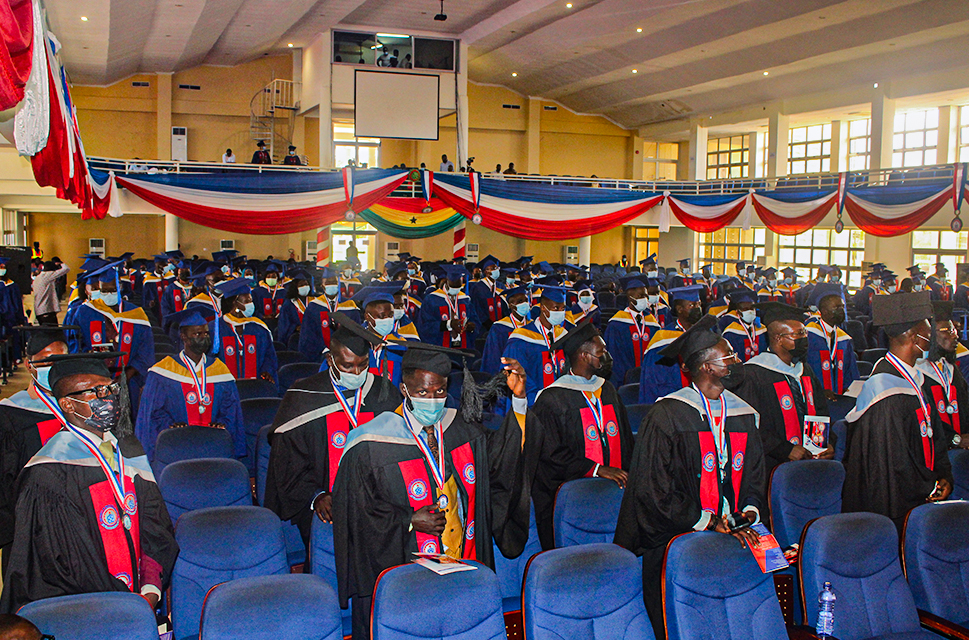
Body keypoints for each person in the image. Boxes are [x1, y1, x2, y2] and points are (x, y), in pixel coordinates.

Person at [332, 342, 533, 640]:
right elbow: (356, 516)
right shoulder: (369, 446)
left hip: (462, 561)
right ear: (404, 389)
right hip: (406, 584)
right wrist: (408, 521)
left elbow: (503, 464)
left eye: (439, 391)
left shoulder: (463, 429)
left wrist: (519, 401)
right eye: (422, 392)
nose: (432, 400)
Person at [614, 314, 765, 639]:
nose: (737, 361)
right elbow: (654, 493)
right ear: (707, 367)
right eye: (729, 357)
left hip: (735, 533)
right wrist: (709, 522)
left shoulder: (742, 414)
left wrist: (748, 514)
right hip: (678, 539)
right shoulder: (667, 416)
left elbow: (754, 477)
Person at [0, 352, 178, 613]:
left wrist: (150, 588)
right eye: (93, 393)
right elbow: (68, 566)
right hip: (89, 612)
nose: (106, 399)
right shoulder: (48, 474)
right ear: (68, 405)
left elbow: (156, 528)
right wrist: (127, 604)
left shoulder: (129, 452)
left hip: (140, 603)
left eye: (109, 389)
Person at [266, 319, 402, 546]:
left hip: (378, 504)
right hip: (326, 505)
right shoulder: (303, 396)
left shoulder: (385, 393)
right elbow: (288, 461)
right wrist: (315, 495)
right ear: (330, 360)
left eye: (363, 364)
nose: (357, 372)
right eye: (348, 366)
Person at [842, 292, 953, 530]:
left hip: (922, 491)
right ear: (914, 337)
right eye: (928, 327)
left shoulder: (916, 379)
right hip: (893, 505)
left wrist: (944, 475)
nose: (932, 333)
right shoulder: (884, 389)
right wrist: (929, 485)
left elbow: (935, 435)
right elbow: (894, 463)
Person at [531, 323, 633, 549]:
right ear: (584, 355)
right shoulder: (552, 399)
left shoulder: (607, 390)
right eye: (601, 352)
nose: (606, 356)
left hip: (614, 494)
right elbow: (548, 454)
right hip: (574, 500)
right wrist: (595, 469)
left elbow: (625, 440)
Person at [0, 327, 71, 574]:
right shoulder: (10, 414)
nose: (53, 366)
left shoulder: (82, 406)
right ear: (30, 366)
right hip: (27, 529)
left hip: (74, 524)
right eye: (45, 360)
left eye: (60, 359)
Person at [732, 302, 833, 472]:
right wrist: (784, 450)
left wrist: (823, 443)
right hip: (770, 464)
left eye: (805, 333)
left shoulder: (804, 370)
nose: (805, 339)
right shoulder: (753, 374)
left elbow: (820, 409)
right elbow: (748, 424)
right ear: (778, 338)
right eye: (798, 334)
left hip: (810, 460)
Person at [135, 309, 245, 461]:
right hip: (176, 448)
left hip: (212, 447)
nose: (203, 338)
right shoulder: (163, 372)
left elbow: (231, 410)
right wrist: (171, 425)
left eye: (206, 333)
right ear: (183, 337)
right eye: (197, 334)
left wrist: (221, 424)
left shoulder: (220, 371)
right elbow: (154, 414)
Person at [73, 263, 155, 417]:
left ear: (120, 289)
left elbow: (146, 352)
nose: (108, 294)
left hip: (129, 380)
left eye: (112, 290)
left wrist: (124, 377)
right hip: (94, 379)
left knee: (127, 422)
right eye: (104, 291)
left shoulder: (136, 314)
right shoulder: (85, 313)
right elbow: (76, 345)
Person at [502, 285, 571, 405]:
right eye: (556, 308)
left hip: (562, 402)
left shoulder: (563, 335)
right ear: (543, 308)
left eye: (562, 308)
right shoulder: (521, 338)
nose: (560, 312)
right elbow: (515, 374)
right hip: (533, 403)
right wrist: (538, 398)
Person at [638, 286, 705, 404]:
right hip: (673, 399)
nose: (697, 308)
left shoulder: (706, 334)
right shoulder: (663, 339)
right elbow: (654, 382)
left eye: (699, 304)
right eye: (692, 305)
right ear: (679, 309)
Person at [919, 301, 969, 450]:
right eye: (947, 330)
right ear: (930, 334)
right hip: (933, 452)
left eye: (954, 330)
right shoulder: (917, 373)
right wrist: (955, 439)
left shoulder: (950, 369)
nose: (955, 336)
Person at [212, 278, 278, 386]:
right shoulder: (216, 328)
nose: (251, 304)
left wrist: (267, 371)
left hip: (255, 387)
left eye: (251, 300)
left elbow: (269, 356)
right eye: (247, 301)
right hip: (225, 388)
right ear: (235, 303)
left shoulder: (259, 327)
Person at [604, 275, 660, 387]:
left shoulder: (652, 323)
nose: (644, 299)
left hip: (649, 378)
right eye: (640, 296)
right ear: (630, 297)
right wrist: (627, 377)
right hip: (624, 379)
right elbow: (615, 356)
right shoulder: (616, 324)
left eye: (645, 296)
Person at [805, 284, 860, 398]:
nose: (841, 311)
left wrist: (850, 392)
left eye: (842, 307)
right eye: (836, 307)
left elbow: (850, 371)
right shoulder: (809, 334)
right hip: (813, 397)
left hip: (839, 397)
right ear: (824, 311)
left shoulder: (844, 338)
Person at [298, 268, 359, 362]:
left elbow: (356, 333)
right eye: (328, 282)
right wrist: (324, 350)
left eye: (334, 282)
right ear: (322, 285)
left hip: (347, 355)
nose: (331, 285)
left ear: (338, 283)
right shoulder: (314, 307)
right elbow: (308, 334)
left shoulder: (350, 306)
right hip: (320, 355)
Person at [417, 265, 479, 350]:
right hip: (440, 347)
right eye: (453, 286)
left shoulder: (465, 299)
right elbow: (424, 326)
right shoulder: (432, 299)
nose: (456, 290)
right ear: (447, 282)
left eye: (458, 287)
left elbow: (474, 319)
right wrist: (448, 324)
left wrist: (471, 326)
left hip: (463, 345)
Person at [719, 289, 766, 363]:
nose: (750, 311)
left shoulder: (762, 329)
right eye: (745, 309)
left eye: (752, 308)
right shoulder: (731, 332)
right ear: (738, 312)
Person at [277, 269, 313, 348]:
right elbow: (284, 325)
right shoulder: (289, 304)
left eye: (306, 284)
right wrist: (295, 328)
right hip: (296, 338)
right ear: (295, 287)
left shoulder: (315, 302)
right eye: (301, 285)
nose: (304, 286)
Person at [469, 255, 505, 328]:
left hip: (500, 325)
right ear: (486, 271)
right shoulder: (478, 288)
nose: (496, 270)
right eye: (493, 268)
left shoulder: (501, 286)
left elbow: (505, 306)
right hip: (483, 327)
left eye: (496, 268)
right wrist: (488, 323)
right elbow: (476, 308)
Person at [31, 260, 69, 325]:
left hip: (39, 311)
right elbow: (66, 269)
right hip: (47, 310)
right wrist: (61, 264)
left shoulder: (37, 278)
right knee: (54, 333)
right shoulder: (47, 275)